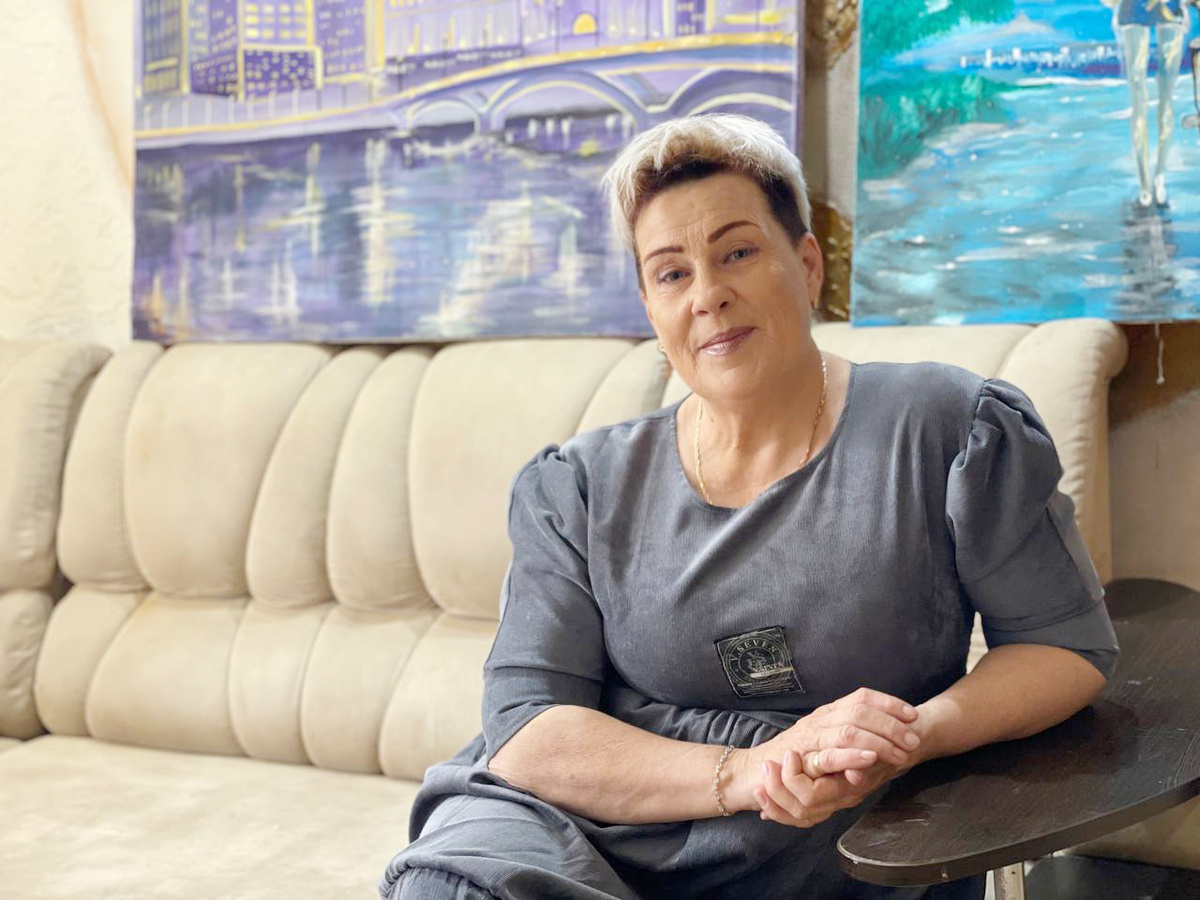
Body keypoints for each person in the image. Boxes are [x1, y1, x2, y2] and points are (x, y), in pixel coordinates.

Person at [378, 114, 1119, 899]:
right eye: (672, 274)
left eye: (737, 253)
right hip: (579, 819)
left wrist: (914, 735)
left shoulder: (949, 426)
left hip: (822, 831)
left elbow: (1064, 647)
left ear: (807, 265)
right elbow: (528, 730)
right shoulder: (579, 485)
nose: (709, 296)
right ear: (651, 308)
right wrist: (746, 771)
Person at [1106, 0, 1193, 207]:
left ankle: (1158, 177)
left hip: (1168, 7)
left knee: (1165, 96)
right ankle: (1145, 183)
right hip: (1136, 6)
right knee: (1140, 96)